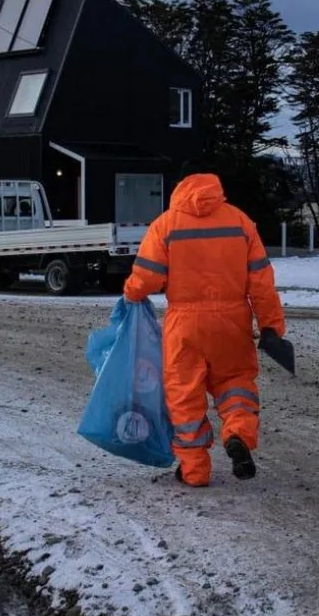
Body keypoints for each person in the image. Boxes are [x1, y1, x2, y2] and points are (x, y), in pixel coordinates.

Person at [123, 159, 287, 487]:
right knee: (236, 383)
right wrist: (271, 326)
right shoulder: (241, 223)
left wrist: (130, 294)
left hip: (184, 324)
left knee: (184, 395)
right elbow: (262, 283)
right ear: (214, 184)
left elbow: (147, 278)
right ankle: (238, 432)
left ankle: (195, 470)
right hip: (233, 323)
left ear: (180, 185)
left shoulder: (165, 225)